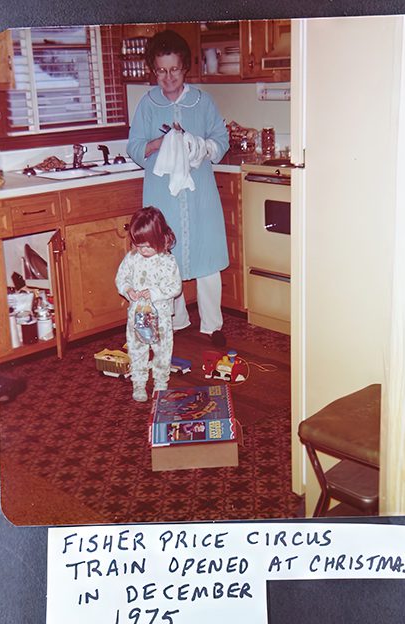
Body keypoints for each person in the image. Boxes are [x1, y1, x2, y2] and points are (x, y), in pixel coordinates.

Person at [127, 29, 229, 347]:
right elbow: (134, 148)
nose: (168, 77)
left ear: (184, 68)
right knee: (166, 256)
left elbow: (221, 142)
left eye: (173, 69)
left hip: (200, 194)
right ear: (153, 71)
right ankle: (177, 319)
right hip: (162, 196)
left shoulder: (202, 101)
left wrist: (198, 145)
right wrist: (160, 143)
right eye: (161, 70)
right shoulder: (148, 104)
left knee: (207, 256)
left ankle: (212, 324)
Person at [115, 206, 182, 402]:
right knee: (137, 349)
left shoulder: (167, 261)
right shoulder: (132, 258)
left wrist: (154, 293)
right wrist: (128, 290)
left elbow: (175, 287)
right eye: (138, 245)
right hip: (137, 316)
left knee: (162, 350)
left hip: (160, 317)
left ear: (160, 239)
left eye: (147, 246)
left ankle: (160, 383)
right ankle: (139, 382)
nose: (142, 250)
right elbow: (121, 278)